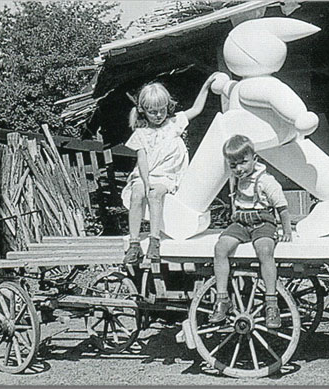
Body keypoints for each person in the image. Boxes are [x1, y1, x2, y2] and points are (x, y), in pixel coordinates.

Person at [122, 74, 218, 264]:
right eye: (153, 112)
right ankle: (134, 243)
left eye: (161, 110)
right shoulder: (140, 133)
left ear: (167, 107)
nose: (158, 115)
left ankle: (154, 240)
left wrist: (206, 85)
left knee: (155, 195)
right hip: (145, 174)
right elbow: (142, 160)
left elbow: (197, 109)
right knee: (136, 194)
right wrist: (146, 181)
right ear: (143, 111)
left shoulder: (174, 123)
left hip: (166, 176)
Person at [209, 135, 293, 329]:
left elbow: (281, 206)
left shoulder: (266, 181)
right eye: (233, 165)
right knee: (221, 248)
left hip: (263, 222)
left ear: (255, 159)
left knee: (264, 250)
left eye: (243, 162)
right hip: (241, 223)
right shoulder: (235, 179)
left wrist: (286, 230)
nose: (239, 169)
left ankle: (271, 302)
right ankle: (222, 299)